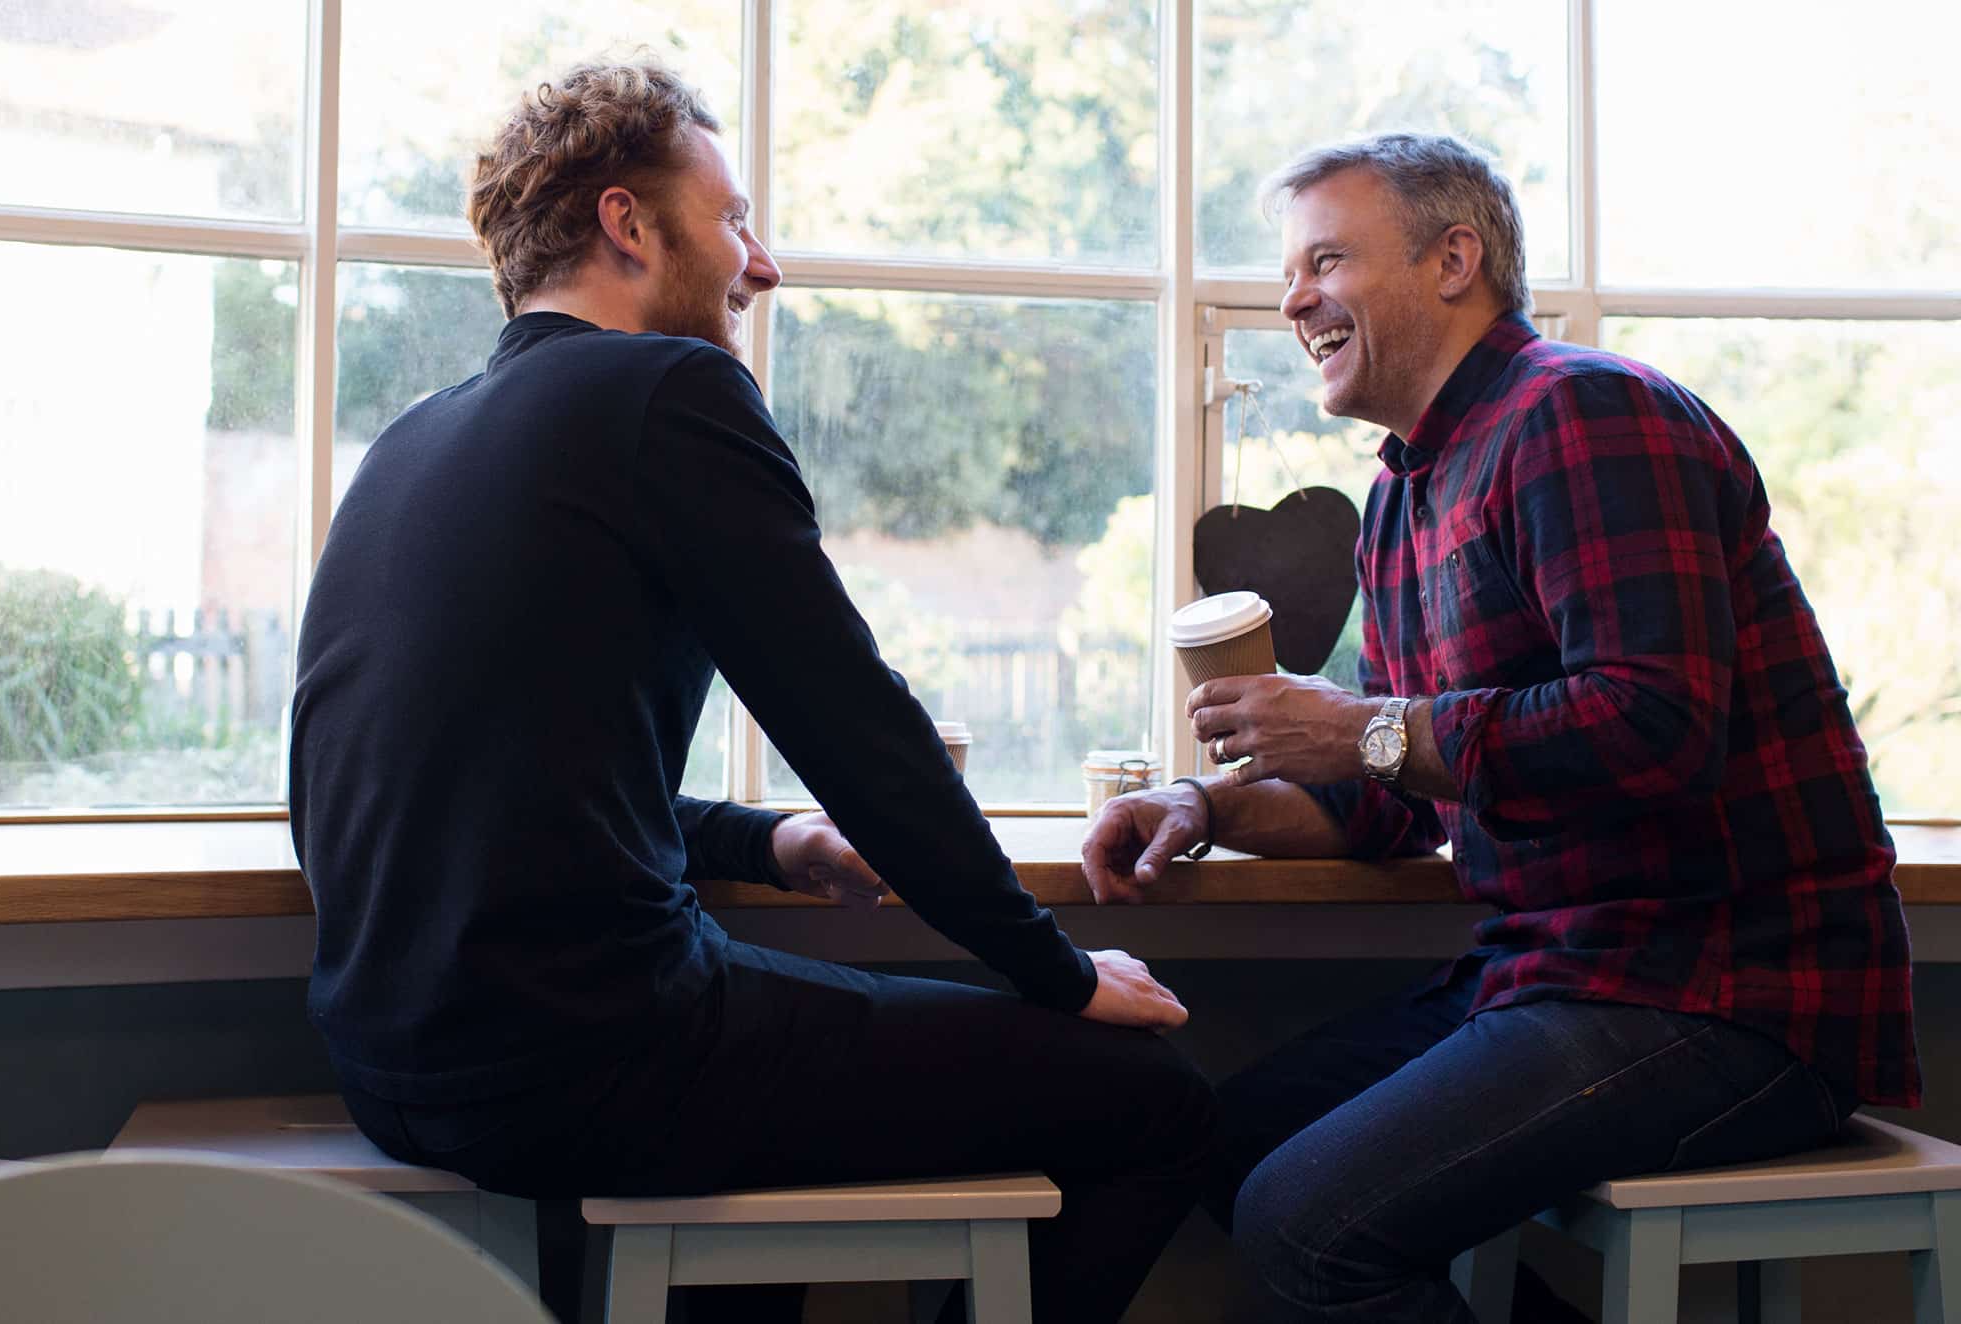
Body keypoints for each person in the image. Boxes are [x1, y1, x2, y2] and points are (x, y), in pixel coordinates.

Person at [289, 58, 1214, 1324]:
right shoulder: (665, 390)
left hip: (388, 1066)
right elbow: (855, 722)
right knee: (1159, 1106)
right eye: (730, 218)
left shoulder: (415, 436)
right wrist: (1050, 968)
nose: (760, 263)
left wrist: (766, 842)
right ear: (627, 222)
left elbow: (499, 779)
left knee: (764, 1098)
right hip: (589, 1058)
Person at [1082, 132, 1919, 1322]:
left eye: (1324, 259)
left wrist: (1364, 728)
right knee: (1219, 1143)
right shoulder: (1403, 493)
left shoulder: (1582, 415)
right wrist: (1199, 803)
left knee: (1304, 1228)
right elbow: (1377, 794)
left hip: (1727, 994)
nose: (1289, 299)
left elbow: (1654, 725)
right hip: (1550, 976)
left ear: (1452, 259)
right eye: (1286, 270)